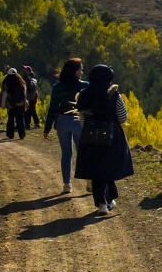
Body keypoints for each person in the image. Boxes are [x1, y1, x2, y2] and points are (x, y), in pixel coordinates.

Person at [74, 63, 133, 212]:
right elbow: (122, 117)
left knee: (96, 168)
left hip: (90, 136)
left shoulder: (84, 94)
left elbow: (81, 119)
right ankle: (109, 199)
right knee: (108, 167)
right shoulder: (113, 94)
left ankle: (102, 203)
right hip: (111, 136)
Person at [43, 57, 86, 194]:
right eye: (80, 69)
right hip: (78, 120)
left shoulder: (57, 87)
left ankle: (67, 184)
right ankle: (89, 179)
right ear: (75, 71)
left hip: (62, 121)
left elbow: (53, 108)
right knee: (83, 153)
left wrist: (47, 128)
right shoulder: (84, 85)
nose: (82, 71)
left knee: (66, 154)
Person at [0, 64, 30, 140]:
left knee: (11, 119)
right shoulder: (21, 82)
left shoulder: (7, 82)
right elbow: (24, 93)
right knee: (20, 119)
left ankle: (10, 135)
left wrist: (3, 104)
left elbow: (4, 93)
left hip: (10, 104)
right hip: (20, 103)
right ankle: (22, 134)